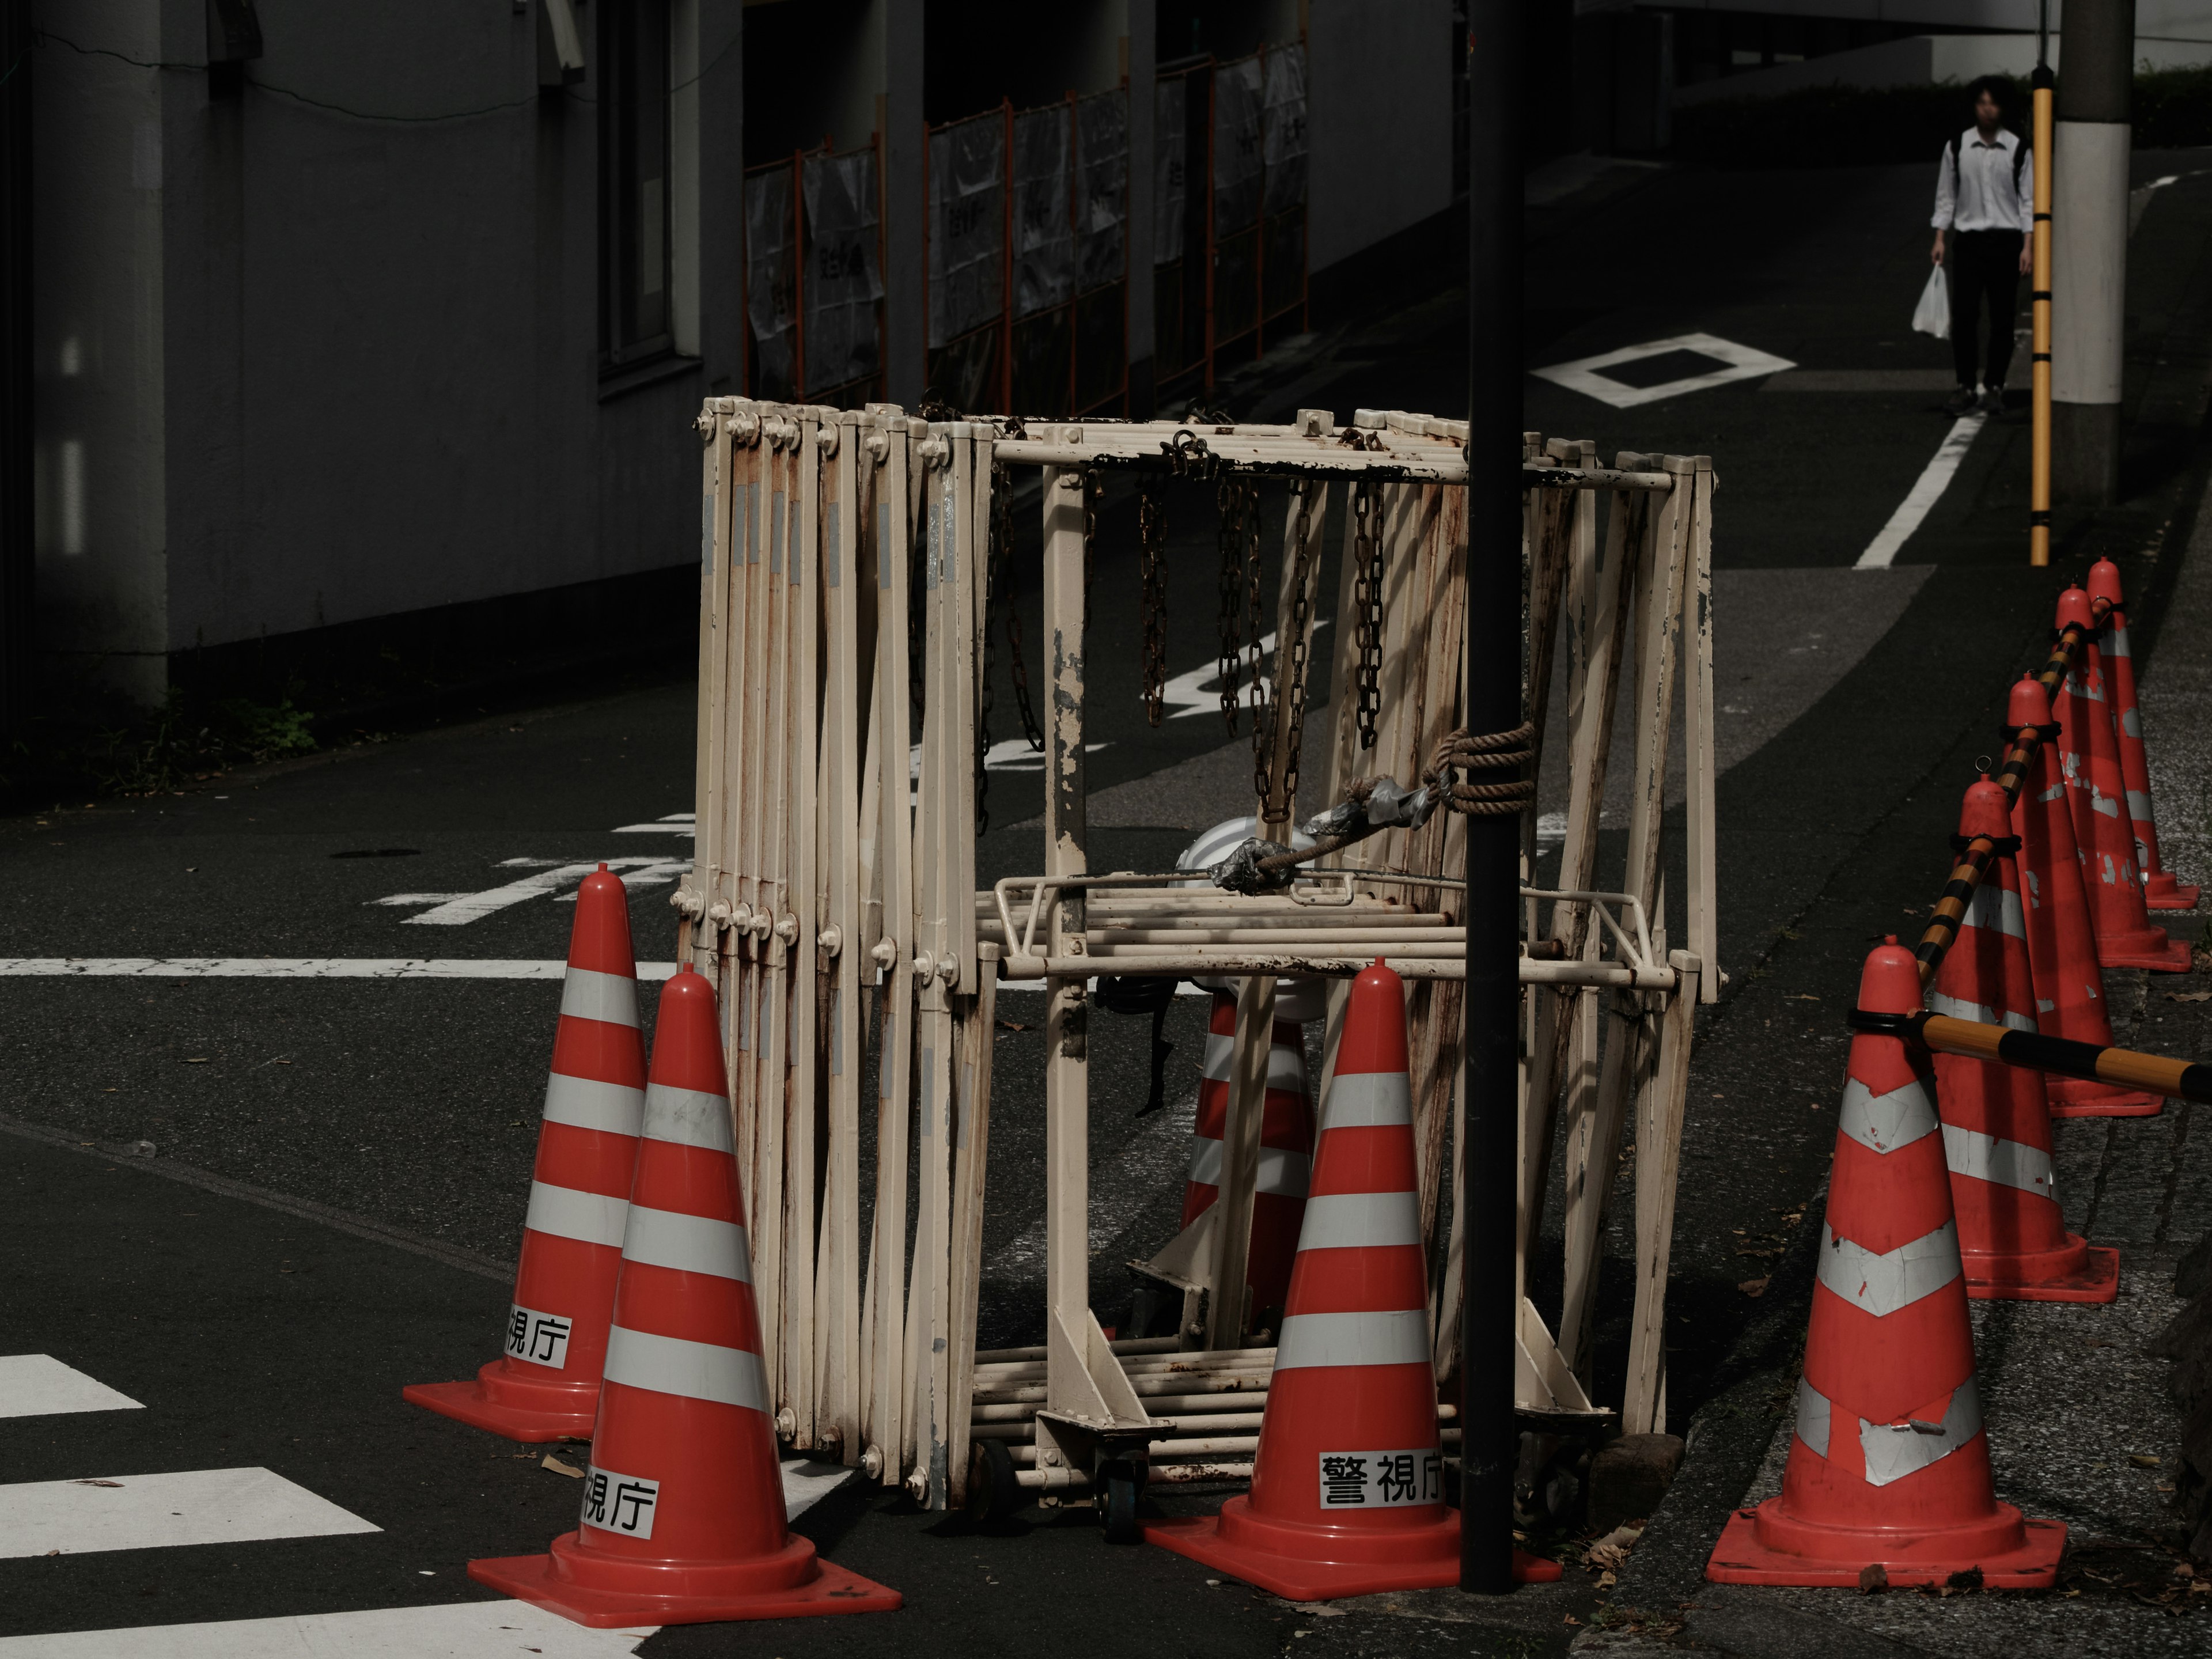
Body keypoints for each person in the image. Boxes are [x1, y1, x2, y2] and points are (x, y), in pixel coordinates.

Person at [1931, 76, 2034, 416]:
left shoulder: (2018, 148)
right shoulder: (1957, 147)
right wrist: (1940, 239)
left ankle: (1994, 387)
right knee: (1965, 317)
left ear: (2003, 107)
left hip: (2006, 243)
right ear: (1974, 106)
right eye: (1982, 103)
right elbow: (1946, 196)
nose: (1988, 109)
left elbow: (2028, 203)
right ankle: (1964, 386)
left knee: (2003, 319)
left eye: (1993, 103)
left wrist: (2028, 246)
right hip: (1970, 243)